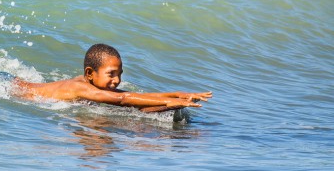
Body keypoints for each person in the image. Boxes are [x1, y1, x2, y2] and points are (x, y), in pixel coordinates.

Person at [12, 43, 212, 112]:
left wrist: (176, 95)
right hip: (15, 90)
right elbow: (123, 99)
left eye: (120, 74)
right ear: (90, 74)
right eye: (111, 74)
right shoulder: (82, 88)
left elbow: (130, 95)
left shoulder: (95, 86)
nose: (117, 81)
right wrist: (170, 103)